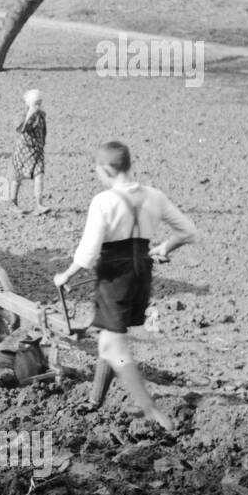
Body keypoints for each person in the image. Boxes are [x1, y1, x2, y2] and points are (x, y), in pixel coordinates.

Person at [53, 141, 197, 434]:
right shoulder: (153, 196)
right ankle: (95, 400)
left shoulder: (103, 202)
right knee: (109, 339)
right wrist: (163, 247)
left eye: (98, 172)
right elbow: (188, 231)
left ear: (107, 170)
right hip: (141, 274)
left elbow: (89, 251)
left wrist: (65, 275)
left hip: (114, 278)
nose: (98, 178)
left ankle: (154, 412)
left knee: (114, 346)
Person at [9, 88, 48, 215]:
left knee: (39, 176)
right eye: (35, 103)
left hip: (37, 151)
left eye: (39, 103)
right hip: (23, 151)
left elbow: (43, 132)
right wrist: (29, 115)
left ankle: (39, 204)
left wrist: (42, 144)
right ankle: (13, 203)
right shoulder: (22, 114)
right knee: (17, 177)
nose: (38, 105)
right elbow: (21, 129)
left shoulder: (41, 116)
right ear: (29, 103)